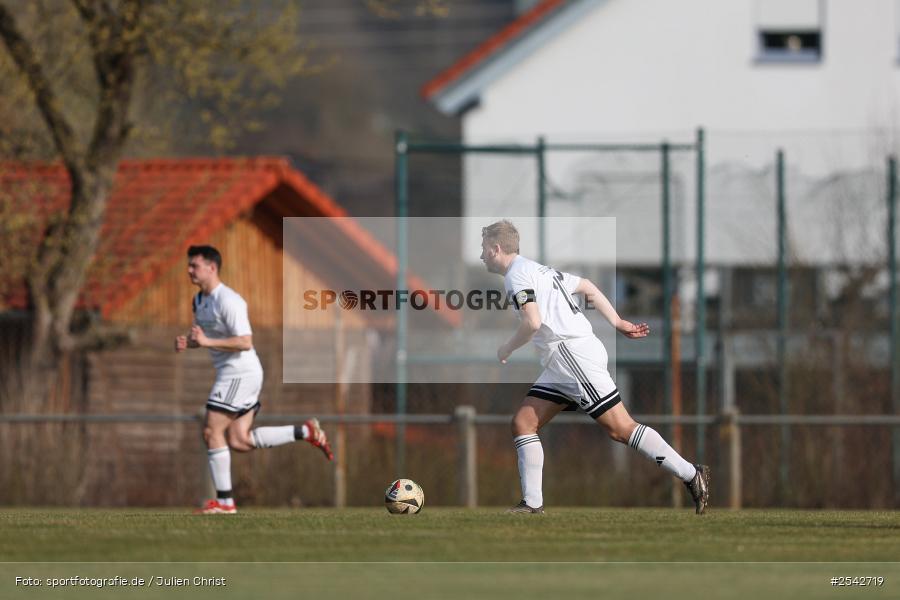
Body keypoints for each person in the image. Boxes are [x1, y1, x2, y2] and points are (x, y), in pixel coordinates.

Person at [480, 220, 709, 514]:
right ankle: (532, 503)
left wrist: (507, 347)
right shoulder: (539, 269)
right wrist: (617, 322)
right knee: (523, 423)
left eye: (484, 248)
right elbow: (586, 286)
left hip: (572, 356)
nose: (482, 255)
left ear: (496, 248)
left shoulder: (517, 277)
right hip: (563, 360)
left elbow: (533, 322)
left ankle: (692, 475)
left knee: (621, 429)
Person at [175, 245, 333, 514]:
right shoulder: (199, 301)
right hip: (237, 373)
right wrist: (190, 342)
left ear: (212, 268)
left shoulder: (229, 301)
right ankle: (305, 431)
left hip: (239, 372)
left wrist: (205, 341)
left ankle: (225, 504)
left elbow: (245, 342)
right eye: (189, 265)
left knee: (211, 431)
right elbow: (207, 339)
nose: (189, 270)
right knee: (239, 441)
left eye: (195, 266)